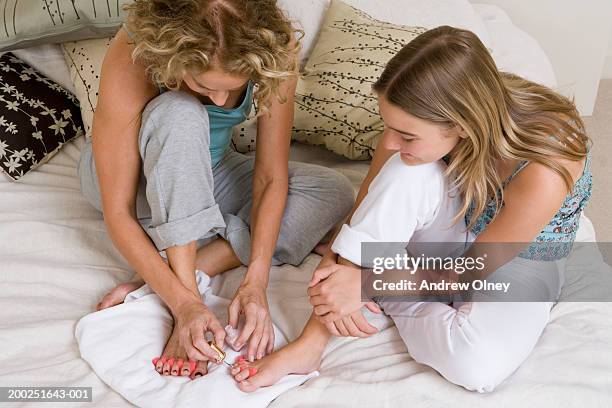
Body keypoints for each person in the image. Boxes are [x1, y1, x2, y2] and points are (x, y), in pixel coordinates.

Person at [229, 25, 592, 393]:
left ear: (463, 125)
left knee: (477, 364)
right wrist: (343, 256)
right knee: (404, 169)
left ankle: (384, 296)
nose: (387, 141)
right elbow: (376, 189)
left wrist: (368, 282)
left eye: (406, 134)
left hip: (520, 259)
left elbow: (466, 273)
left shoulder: (545, 166)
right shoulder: (434, 110)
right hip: (458, 217)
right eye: (388, 126)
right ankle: (309, 346)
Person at [77, 0, 354, 379]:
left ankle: (180, 267)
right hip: (137, 183)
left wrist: (256, 281)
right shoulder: (134, 51)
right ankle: (182, 281)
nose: (221, 102)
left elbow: (271, 177)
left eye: (233, 90)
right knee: (181, 112)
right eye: (206, 86)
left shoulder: (271, 44)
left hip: (212, 170)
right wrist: (186, 307)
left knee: (332, 190)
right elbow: (118, 211)